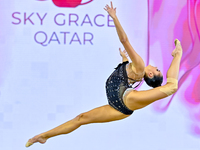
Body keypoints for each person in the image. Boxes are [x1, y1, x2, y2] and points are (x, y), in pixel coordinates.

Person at [25, 2, 182, 147]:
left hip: (127, 100)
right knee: (81, 118)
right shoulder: (135, 68)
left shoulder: (140, 66)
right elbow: (127, 70)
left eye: (157, 70)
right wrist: (124, 59)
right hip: (117, 105)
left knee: (171, 86)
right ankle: (43, 136)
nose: (155, 67)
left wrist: (114, 18)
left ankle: (178, 54)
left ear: (149, 74)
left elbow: (124, 40)